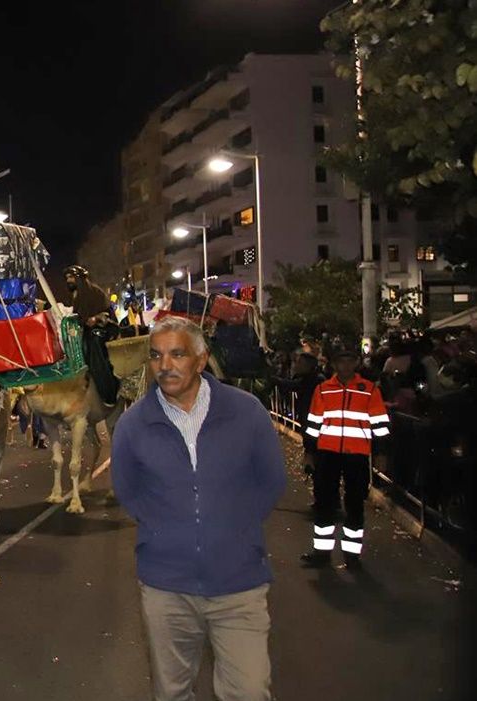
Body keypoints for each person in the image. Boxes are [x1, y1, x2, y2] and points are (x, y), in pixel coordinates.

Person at [112, 316, 286, 701]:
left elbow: (271, 482)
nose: (165, 365)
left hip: (239, 586)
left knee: (249, 691)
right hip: (166, 590)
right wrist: (167, 531)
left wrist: (232, 529)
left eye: (177, 354)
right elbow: (128, 491)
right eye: (156, 356)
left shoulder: (247, 412)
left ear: (201, 359)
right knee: (171, 692)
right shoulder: (132, 426)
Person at [300, 342, 390, 570]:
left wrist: (380, 453)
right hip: (327, 454)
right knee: (324, 503)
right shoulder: (323, 390)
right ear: (334, 364)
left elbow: (380, 425)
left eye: (350, 360)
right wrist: (309, 453)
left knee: (355, 504)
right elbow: (313, 426)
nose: (346, 365)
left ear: (357, 363)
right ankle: (322, 553)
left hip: (357, 455)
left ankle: (352, 555)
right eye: (341, 360)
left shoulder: (369, 390)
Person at [57, 265, 119, 406]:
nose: (69, 280)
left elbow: (107, 314)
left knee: (94, 346)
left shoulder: (95, 292)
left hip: (101, 330)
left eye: (71, 277)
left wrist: (95, 319)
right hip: (85, 331)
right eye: (67, 278)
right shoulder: (75, 296)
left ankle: (108, 391)